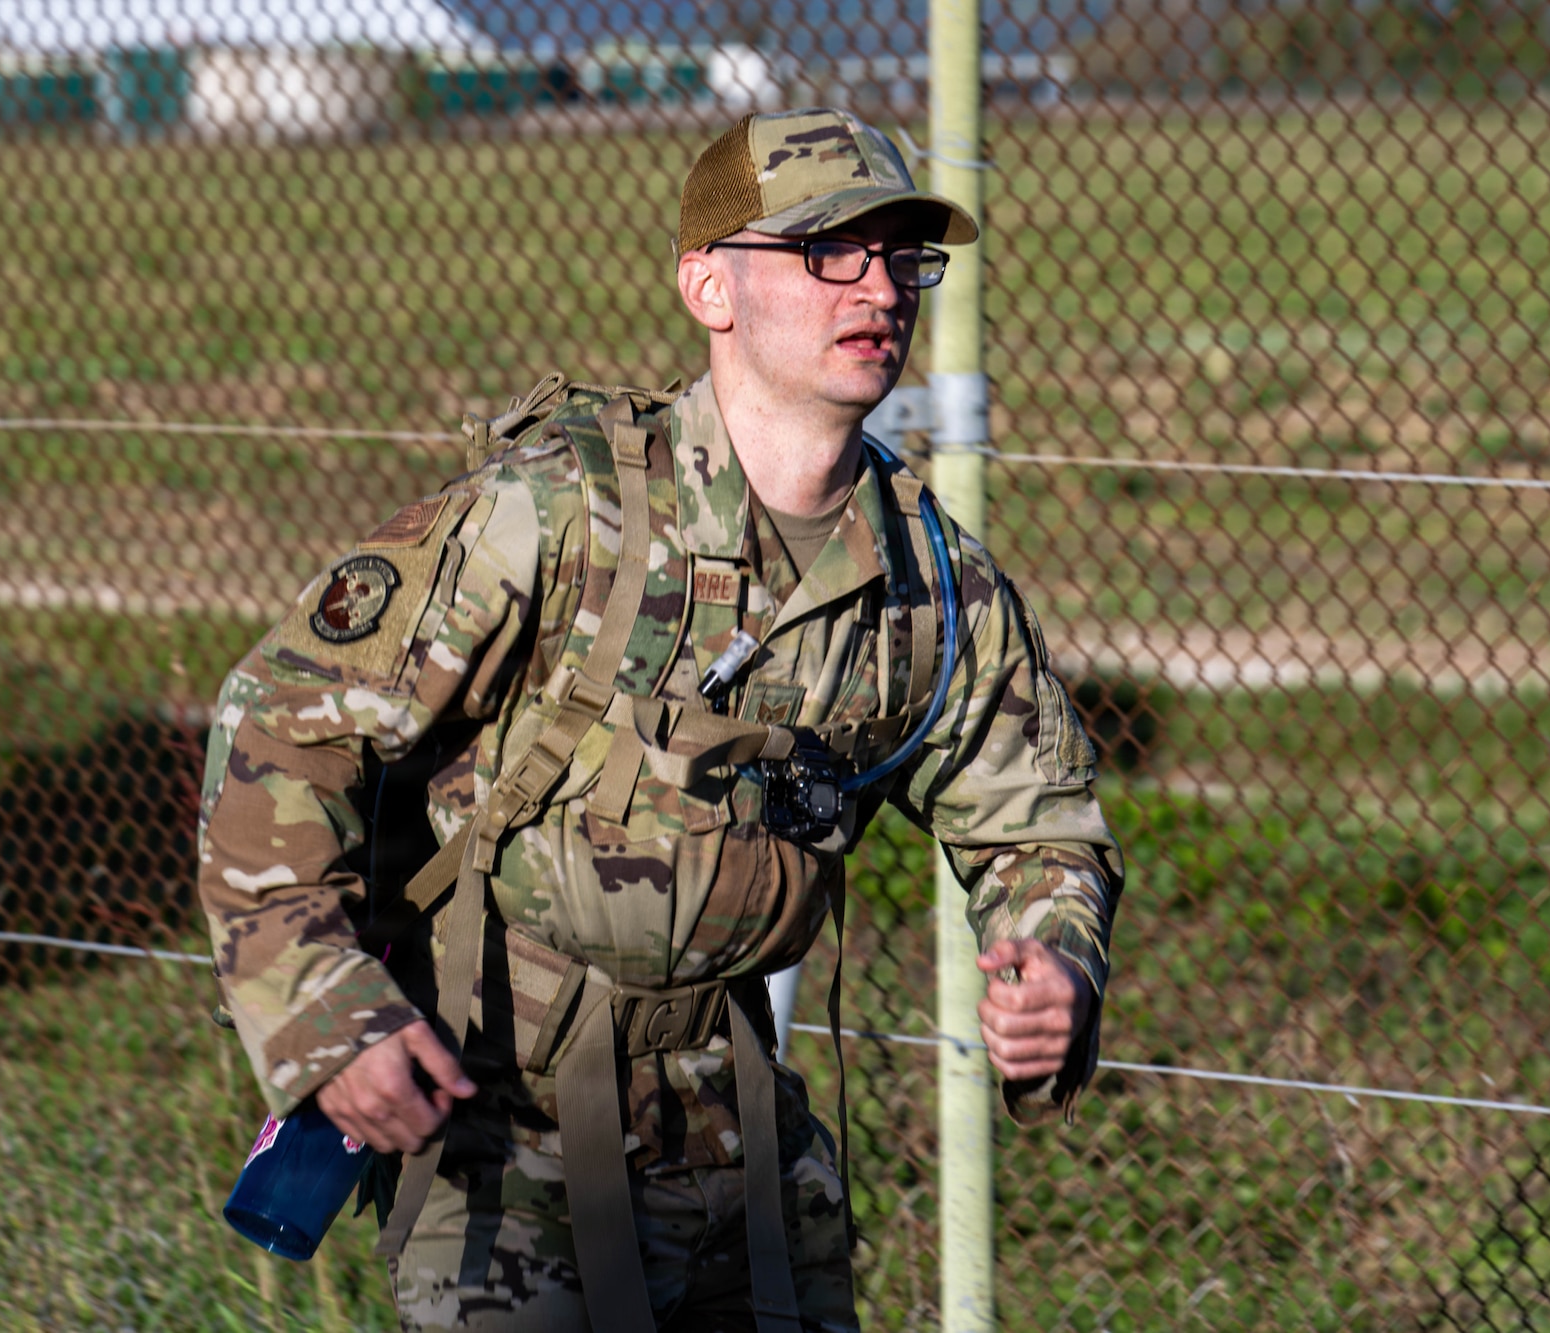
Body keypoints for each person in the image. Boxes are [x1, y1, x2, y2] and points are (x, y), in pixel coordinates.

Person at [196, 106, 1124, 1332]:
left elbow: (1037, 820)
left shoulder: (929, 584)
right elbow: (283, 724)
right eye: (826, 251)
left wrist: (1052, 956)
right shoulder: (560, 515)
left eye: (902, 256)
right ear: (708, 286)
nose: (881, 289)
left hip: (738, 1148)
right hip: (501, 1141)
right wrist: (325, 1011)